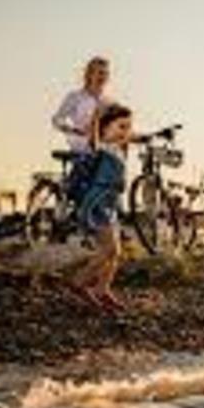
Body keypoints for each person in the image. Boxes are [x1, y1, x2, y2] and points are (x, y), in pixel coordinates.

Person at [69, 103, 133, 310]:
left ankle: (102, 289)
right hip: (97, 204)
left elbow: (135, 137)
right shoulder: (102, 148)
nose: (125, 132)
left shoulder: (119, 149)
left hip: (110, 206)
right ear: (105, 128)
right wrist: (96, 118)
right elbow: (93, 138)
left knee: (116, 252)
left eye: (128, 127)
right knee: (108, 249)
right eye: (121, 126)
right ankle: (79, 282)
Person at [52, 57, 110, 153]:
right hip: (81, 148)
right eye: (100, 73)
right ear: (89, 74)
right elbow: (57, 120)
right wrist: (74, 130)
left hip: (104, 149)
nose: (103, 77)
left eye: (106, 74)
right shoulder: (75, 97)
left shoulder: (108, 101)